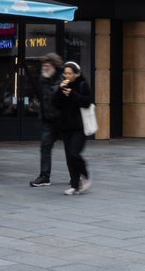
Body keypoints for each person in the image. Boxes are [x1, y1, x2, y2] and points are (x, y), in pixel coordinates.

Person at [52, 60, 94, 195]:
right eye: (65, 73)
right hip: (66, 126)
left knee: (74, 153)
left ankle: (86, 175)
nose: (67, 76)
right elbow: (55, 103)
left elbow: (86, 102)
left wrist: (72, 94)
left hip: (80, 126)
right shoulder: (63, 85)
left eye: (70, 73)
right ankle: (74, 185)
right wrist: (60, 90)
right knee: (69, 157)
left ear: (76, 74)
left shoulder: (82, 84)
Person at [29, 52, 64, 187]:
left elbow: (54, 95)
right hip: (48, 120)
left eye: (47, 64)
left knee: (71, 150)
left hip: (62, 120)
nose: (45, 66)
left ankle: (76, 176)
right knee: (45, 147)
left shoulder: (62, 78)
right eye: (44, 64)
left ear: (54, 65)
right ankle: (44, 176)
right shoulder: (43, 78)